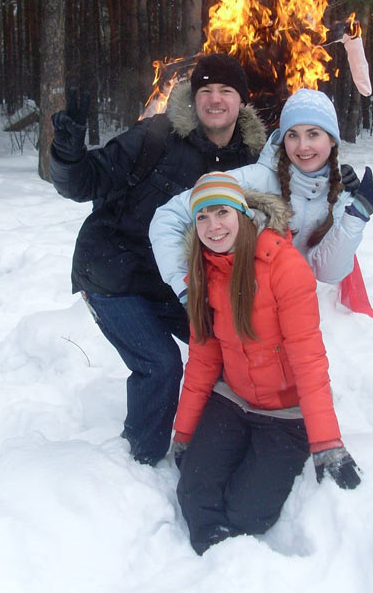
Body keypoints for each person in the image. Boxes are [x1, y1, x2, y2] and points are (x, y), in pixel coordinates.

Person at [49, 54, 266, 466]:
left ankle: (215, 444)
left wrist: (333, 187)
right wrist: (67, 149)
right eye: (206, 91)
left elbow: (286, 198)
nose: (215, 100)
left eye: (226, 91)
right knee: (161, 365)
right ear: (194, 97)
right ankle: (139, 461)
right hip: (115, 274)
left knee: (228, 349)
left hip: (177, 283)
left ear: (242, 101)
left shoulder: (250, 159)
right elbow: (83, 182)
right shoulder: (156, 136)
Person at [171, 172, 361, 555]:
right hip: (233, 400)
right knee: (193, 491)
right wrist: (184, 433)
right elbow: (203, 361)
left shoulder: (283, 266)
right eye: (202, 217)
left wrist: (326, 442)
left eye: (221, 212)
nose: (213, 226)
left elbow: (308, 358)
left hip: (285, 413)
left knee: (249, 512)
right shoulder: (204, 273)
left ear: (242, 213)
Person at [149, 87, 373, 302]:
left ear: (332, 140)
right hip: (242, 313)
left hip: (296, 315)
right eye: (293, 135)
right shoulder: (257, 178)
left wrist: (358, 213)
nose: (303, 146)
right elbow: (169, 215)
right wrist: (186, 287)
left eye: (313, 134)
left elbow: (327, 272)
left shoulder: (338, 195)